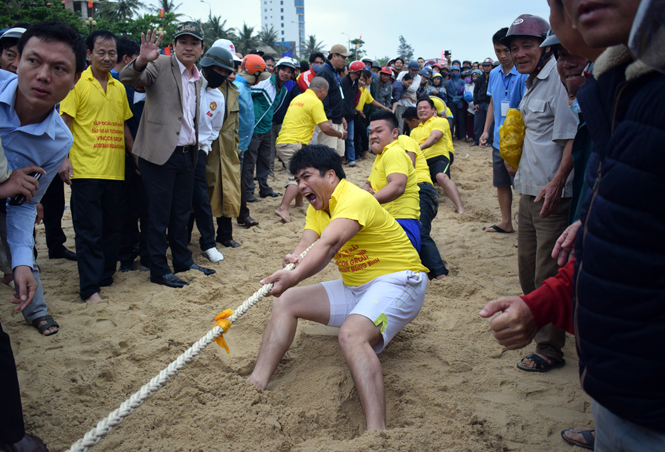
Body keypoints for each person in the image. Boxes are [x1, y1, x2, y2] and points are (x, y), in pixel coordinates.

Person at [247, 144, 429, 431]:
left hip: (399, 281)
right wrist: (291, 266)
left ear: (331, 175)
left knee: (352, 335)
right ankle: (256, 381)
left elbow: (329, 245)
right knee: (287, 300)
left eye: (306, 176)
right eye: (296, 180)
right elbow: (307, 245)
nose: (301, 185)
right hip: (356, 287)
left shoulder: (354, 198)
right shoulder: (318, 208)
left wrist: (292, 277)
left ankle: (376, 431)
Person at [1, 19, 87, 452]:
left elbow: (21, 210)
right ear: (16, 60)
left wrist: (21, 260)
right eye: (34, 60)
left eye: (59, 68)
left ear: (74, 81)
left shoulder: (56, 142)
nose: (43, 76)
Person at [502, 14, 578, 373]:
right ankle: (537, 332)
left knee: (548, 271)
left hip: (551, 193)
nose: (519, 53)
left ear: (544, 47)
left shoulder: (557, 82)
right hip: (528, 190)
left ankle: (550, 348)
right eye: (514, 47)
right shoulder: (531, 82)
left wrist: (557, 181)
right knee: (528, 269)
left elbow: (570, 140)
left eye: (527, 46)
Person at [120, 23, 215, 289]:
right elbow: (128, 78)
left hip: (187, 153)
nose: (188, 47)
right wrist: (141, 60)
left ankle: (183, 262)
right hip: (160, 155)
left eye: (193, 43)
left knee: (182, 213)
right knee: (158, 215)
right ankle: (158, 269)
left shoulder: (197, 75)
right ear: (173, 45)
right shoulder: (159, 64)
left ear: (201, 48)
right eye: (182, 41)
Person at [60, 30, 134, 302]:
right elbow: (64, 123)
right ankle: (89, 288)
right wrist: (63, 159)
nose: (106, 57)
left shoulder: (118, 88)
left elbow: (124, 126)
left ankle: (105, 275)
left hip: (115, 170)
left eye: (111, 53)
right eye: (100, 52)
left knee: (113, 227)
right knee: (89, 231)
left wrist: (135, 155)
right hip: (86, 170)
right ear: (88, 54)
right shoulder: (77, 84)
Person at [273, 77, 342, 223]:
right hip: (292, 143)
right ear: (322, 90)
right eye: (326, 92)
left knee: (300, 172)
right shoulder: (315, 101)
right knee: (297, 178)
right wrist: (340, 134)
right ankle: (283, 208)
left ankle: (299, 204)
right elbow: (325, 128)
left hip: (286, 141)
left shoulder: (299, 98)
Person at [480, 27, 528, 235]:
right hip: (500, 139)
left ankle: (527, 231)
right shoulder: (493, 74)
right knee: (501, 182)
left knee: (524, 186)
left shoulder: (525, 73)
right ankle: (506, 222)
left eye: (506, 50)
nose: (502, 55)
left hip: (520, 142)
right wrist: (486, 130)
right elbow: (492, 102)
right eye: (497, 51)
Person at [189, 45, 234, 263]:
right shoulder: (189, 85)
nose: (222, 75)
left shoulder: (218, 95)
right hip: (177, 149)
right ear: (207, 66)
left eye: (226, 72)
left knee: (201, 200)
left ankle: (208, 243)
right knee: (179, 202)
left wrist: (205, 147)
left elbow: (216, 127)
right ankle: (179, 241)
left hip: (199, 152)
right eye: (219, 70)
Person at [363, 111, 421, 250]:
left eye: (379, 131)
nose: (373, 136)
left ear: (395, 133)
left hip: (400, 222)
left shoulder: (393, 152)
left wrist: (367, 201)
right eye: (370, 133)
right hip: (391, 221)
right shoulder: (382, 156)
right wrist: (365, 191)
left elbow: (397, 185)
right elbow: (368, 183)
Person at [210, 42, 248, 246]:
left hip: (228, 152)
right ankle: (198, 239)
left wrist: (235, 148)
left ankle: (225, 236)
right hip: (207, 151)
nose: (231, 69)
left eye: (234, 65)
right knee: (202, 197)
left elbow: (234, 126)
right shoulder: (203, 86)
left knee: (227, 193)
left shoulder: (233, 90)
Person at [241, 57, 291, 202]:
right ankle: (248, 191)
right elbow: (246, 93)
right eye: (283, 70)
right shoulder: (264, 83)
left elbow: (273, 108)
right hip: (254, 127)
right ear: (277, 70)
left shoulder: (284, 90)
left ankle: (264, 188)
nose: (285, 73)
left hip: (267, 128)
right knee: (250, 161)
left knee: (265, 160)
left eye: (289, 71)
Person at [410, 97, 465, 213]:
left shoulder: (440, 121)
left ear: (433, 110)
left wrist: (418, 148)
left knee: (441, 177)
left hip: (438, 156)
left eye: (425, 107)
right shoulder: (414, 131)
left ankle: (460, 208)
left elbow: (434, 138)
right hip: (422, 161)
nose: (422, 110)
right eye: (419, 108)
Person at [317, 45, 350, 157]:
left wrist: (342, 116)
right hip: (329, 120)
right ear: (334, 56)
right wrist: (328, 117)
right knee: (327, 154)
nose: (345, 61)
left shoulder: (334, 72)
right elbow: (323, 97)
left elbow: (337, 96)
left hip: (338, 119)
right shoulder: (325, 72)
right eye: (343, 57)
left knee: (339, 154)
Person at [340, 60, 364, 167]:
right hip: (342, 116)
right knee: (341, 139)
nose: (363, 74)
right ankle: (343, 160)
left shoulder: (355, 84)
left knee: (350, 139)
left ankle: (351, 161)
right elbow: (341, 101)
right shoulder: (343, 82)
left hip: (350, 115)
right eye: (361, 71)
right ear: (357, 72)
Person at [473, 58, 493, 147]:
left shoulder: (494, 77)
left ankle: (489, 141)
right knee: (478, 123)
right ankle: (477, 140)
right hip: (480, 103)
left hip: (490, 102)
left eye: (488, 66)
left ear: (491, 67)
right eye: (485, 66)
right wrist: (475, 103)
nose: (486, 68)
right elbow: (475, 91)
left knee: (490, 123)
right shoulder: (480, 78)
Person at [446, 65, 465, 140]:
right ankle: (451, 136)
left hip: (460, 102)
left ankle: (461, 136)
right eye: (453, 71)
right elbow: (448, 92)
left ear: (459, 72)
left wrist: (458, 98)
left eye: (456, 71)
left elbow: (465, 92)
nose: (455, 72)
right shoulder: (448, 82)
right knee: (451, 120)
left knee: (461, 120)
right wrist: (454, 98)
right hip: (451, 103)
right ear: (450, 72)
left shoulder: (463, 82)